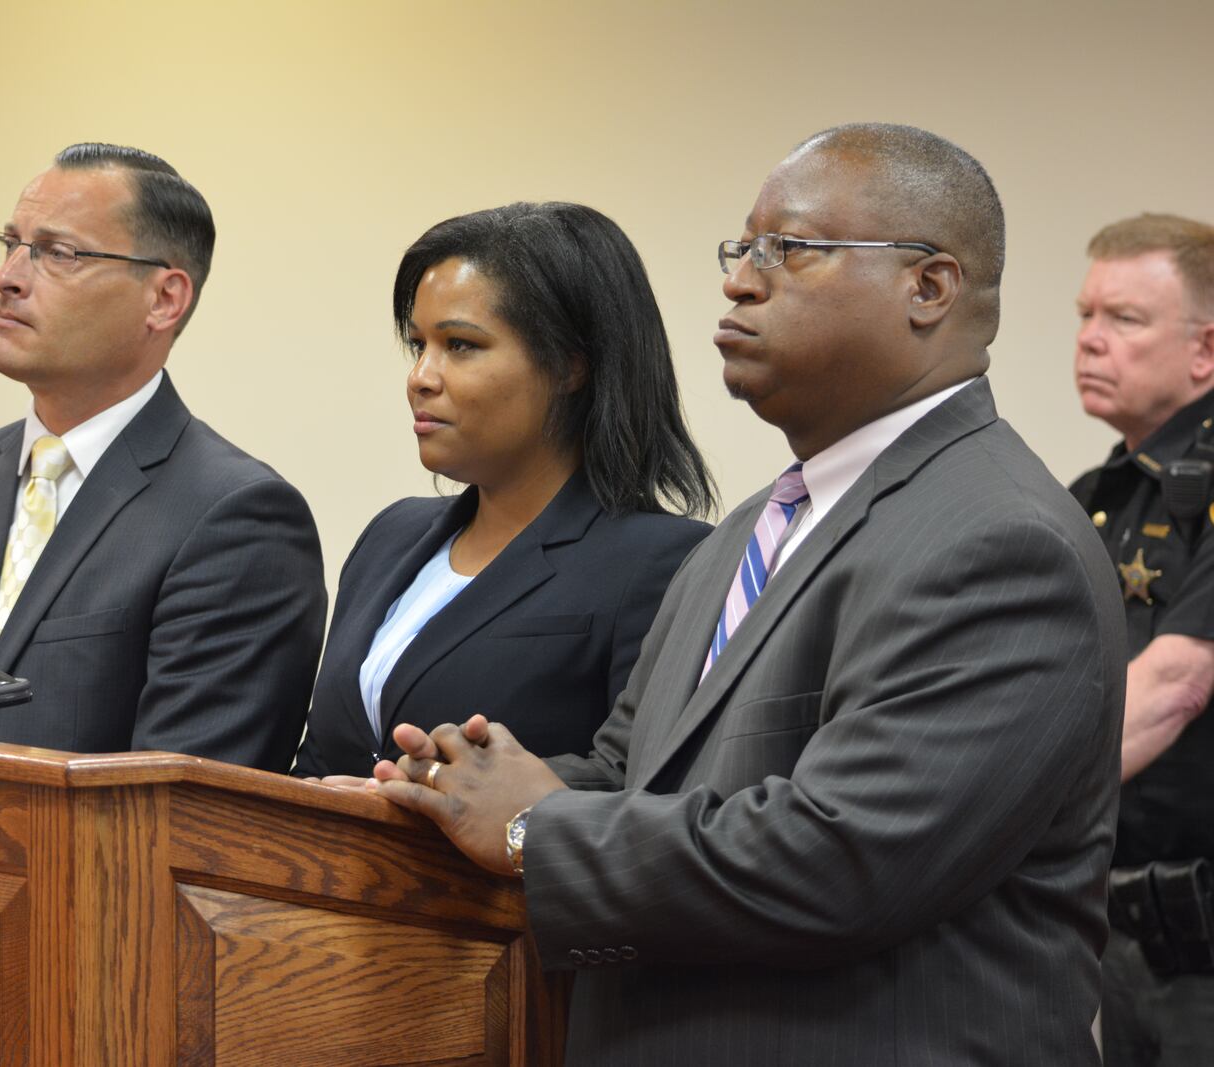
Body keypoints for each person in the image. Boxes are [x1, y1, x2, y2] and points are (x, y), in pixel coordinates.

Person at [371, 124, 1126, 1064]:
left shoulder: (1001, 541)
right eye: (741, 250)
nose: (739, 281)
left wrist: (534, 824)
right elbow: (630, 772)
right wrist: (436, 796)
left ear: (928, 288)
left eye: (790, 250)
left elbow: (840, 860)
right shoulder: (749, 532)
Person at [0, 143, 326, 769]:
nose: (8, 275)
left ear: (163, 299)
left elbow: (180, 813)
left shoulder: (236, 516)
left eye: (57, 253)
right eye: (9, 243)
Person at [292, 203, 715, 778]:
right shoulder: (392, 534)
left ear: (571, 367)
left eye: (460, 345)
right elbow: (319, 757)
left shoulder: (664, 561)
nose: (421, 376)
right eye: (418, 345)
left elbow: (638, 788)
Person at [1069, 213, 1214, 1065]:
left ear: (1205, 350)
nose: (1090, 340)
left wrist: (1001, 793)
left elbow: (1176, 684)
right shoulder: (1095, 493)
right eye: (1087, 315)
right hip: (1108, 929)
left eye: (1124, 320)